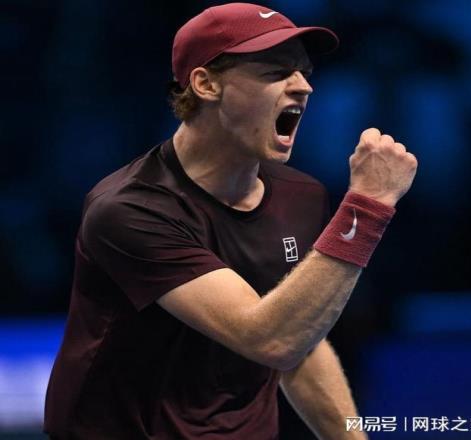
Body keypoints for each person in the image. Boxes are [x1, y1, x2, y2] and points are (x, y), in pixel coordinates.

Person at [44, 3, 417, 439]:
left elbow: (300, 339)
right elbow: (269, 340)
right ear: (206, 84)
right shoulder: (130, 210)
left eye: (304, 72)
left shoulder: (301, 196)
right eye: (276, 72)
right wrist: (367, 207)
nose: (304, 87)